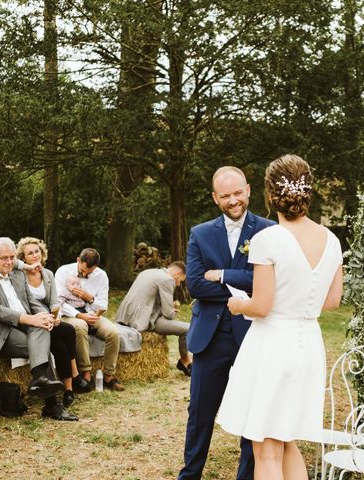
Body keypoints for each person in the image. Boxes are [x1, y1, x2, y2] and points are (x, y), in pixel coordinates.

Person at [217, 154, 344, 479]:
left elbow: (261, 306)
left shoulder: (267, 238)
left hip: (273, 346)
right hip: (309, 348)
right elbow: (332, 300)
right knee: (286, 441)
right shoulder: (331, 239)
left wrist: (238, 305)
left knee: (266, 450)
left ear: (270, 194)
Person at [178, 166, 275, 480]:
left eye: (237, 193)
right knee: (200, 412)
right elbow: (194, 284)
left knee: (252, 410)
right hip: (211, 334)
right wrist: (248, 284)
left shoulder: (270, 231)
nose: (233, 201)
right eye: (225, 196)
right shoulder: (201, 233)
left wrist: (223, 274)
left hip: (254, 334)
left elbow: (269, 282)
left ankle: (246, 476)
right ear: (214, 198)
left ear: (248, 189)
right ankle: (190, 474)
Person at [0, 237, 77, 421]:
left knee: (42, 328)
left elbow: (31, 301)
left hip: (22, 324)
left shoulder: (17, 274)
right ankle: (51, 403)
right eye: (4, 258)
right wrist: (30, 319)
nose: (9, 262)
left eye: (12, 257)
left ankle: (40, 382)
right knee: (41, 345)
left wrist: (45, 316)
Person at [16, 237, 92, 408]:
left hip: (49, 316)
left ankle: (68, 389)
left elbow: (54, 301)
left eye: (37, 251)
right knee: (68, 332)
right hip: (31, 319)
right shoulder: (19, 275)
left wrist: (55, 316)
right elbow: (24, 303)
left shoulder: (47, 274)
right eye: (30, 253)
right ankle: (73, 377)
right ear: (23, 257)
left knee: (60, 342)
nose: (35, 255)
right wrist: (45, 317)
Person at [55, 248, 124, 391]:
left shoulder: (102, 276)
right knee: (80, 327)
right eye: (82, 270)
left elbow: (103, 305)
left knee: (113, 333)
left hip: (93, 314)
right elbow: (58, 302)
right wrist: (79, 315)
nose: (85, 274)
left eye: (89, 272)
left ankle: (108, 376)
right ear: (78, 260)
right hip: (70, 314)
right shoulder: (63, 272)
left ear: (96, 267)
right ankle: (86, 373)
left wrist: (90, 298)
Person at [114, 261, 191, 376]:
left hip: (125, 316)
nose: (179, 284)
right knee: (187, 329)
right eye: (180, 281)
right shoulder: (167, 280)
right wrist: (172, 310)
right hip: (142, 320)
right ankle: (185, 361)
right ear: (177, 274)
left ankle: (185, 361)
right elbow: (168, 314)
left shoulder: (147, 272)